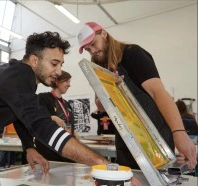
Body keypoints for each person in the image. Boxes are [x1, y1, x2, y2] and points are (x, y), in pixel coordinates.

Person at [0, 31, 109, 182]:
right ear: (34, 60)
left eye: (60, 65)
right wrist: (97, 161)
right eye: (54, 64)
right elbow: (41, 126)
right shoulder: (18, 78)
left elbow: (18, 116)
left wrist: (29, 148)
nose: (59, 71)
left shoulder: (24, 78)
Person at [77, 22, 197, 170]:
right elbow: (101, 107)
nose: (93, 51)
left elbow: (157, 92)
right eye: (88, 49)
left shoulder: (132, 53)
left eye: (94, 44)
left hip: (155, 138)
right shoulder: (99, 67)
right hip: (126, 140)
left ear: (104, 34)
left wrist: (179, 132)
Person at [35, 70, 76, 162]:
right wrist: (52, 117)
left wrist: (75, 135)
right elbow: (36, 117)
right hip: (49, 150)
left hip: (66, 147)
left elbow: (69, 124)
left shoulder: (67, 104)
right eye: (66, 81)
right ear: (57, 81)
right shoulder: (43, 98)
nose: (69, 85)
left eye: (69, 82)